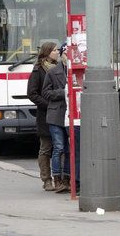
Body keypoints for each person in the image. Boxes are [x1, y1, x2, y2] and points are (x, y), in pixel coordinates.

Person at [27, 42, 56, 192]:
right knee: (46, 147)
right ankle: (46, 179)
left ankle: (61, 178)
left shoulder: (59, 67)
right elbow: (32, 93)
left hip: (58, 113)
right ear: (47, 52)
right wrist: (47, 104)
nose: (57, 52)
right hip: (45, 115)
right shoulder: (38, 70)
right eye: (55, 50)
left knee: (60, 147)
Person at [41, 42, 70, 194]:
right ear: (61, 55)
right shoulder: (53, 72)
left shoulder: (75, 72)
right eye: (65, 54)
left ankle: (67, 178)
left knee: (69, 148)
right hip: (56, 114)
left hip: (70, 115)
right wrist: (62, 93)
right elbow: (45, 93)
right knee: (58, 147)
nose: (67, 57)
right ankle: (57, 178)